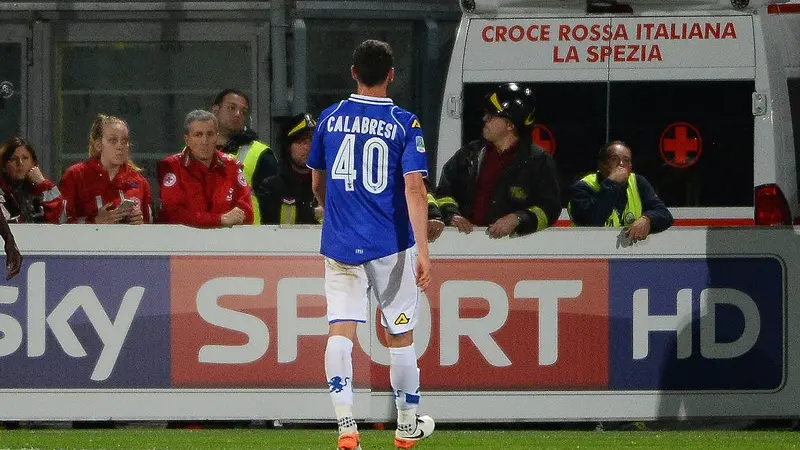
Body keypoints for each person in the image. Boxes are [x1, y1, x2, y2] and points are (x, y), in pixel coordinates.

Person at [307, 39, 435, 450]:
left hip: (341, 244)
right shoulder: (404, 123)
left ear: (353, 72)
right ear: (392, 74)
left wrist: (334, 211)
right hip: (391, 246)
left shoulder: (329, 118)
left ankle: (346, 427)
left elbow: (317, 182)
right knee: (400, 336)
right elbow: (414, 189)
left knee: (339, 332)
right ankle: (406, 426)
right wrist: (424, 251)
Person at [435, 83, 561, 238]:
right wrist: (452, 215)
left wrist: (518, 219)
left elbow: (550, 209)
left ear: (510, 125)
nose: (484, 118)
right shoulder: (469, 154)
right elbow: (443, 193)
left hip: (515, 251)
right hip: (466, 246)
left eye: (492, 114)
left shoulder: (539, 161)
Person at [157, 109, 254, 228]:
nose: (205, 141)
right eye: (198, 135)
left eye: (210, 134)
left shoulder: (231, 166)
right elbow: (173, 215)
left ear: (217, 138)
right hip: (182, 244)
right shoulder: (172, 167)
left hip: (225, 244)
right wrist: (219, 220)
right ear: (187, 140)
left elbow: (247, 212)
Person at [568, 140, 673, 242]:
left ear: (630, 167)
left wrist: (648, 219)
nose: (621, 164)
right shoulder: (583, 187)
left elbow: (664, 214)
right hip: (590, 254)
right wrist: (611, 183)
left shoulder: (638, 182)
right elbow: (591, 222)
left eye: (626, 160)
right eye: (614, 159)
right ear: (602, 164)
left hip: (626, 255)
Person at [59, 114, 152, 224]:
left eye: (124, 141)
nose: (120, 146)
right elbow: (61, 224)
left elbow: (150, 226)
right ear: (99, 145)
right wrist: (94, 222)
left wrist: (141, 223)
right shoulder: (75, 176)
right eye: (113, 140)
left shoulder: (140, 182)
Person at [211, 88, 278, 225]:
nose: (237, 114)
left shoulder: (261, 153)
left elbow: (273, 204)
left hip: (247, 239)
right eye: (231, 108)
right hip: (201, 235)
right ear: (215, 110)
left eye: (243, 112)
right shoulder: (193, 150)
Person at [260, 113, 320, 225]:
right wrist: (311, 213)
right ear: (288, 146)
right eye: (302, 142)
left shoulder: (326, 185)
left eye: (312, 142)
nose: (308, 148)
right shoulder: (271, 186)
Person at [0, 136, 64, 223]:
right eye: (13, 159)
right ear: (3, 166)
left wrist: (43, 184)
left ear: (33, 163)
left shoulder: (41, 188)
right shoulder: (2, 192)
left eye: (25, 158)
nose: (20, 163)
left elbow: (59, 217)